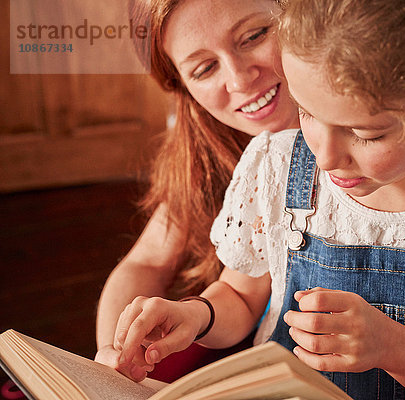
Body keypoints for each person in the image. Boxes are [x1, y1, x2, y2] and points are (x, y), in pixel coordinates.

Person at [113, 0, 405, 398]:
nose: (324, 156)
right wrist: (194, 315)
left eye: (365, 133)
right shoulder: (275, 163)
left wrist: (394, 349)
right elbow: (239, 295)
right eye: (308, 112)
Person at [94, 0, 299, 382]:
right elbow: (149, 260)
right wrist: (116, 356)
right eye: (204, 68)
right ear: (183, 86)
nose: (239, 79)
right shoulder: (226, 155)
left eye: (254, 36)